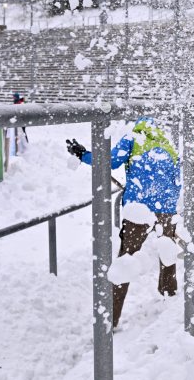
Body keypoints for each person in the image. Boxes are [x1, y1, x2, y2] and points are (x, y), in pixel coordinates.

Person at [66, 116, 181, 328]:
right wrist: (167, 210)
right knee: (167, 253)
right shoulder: (165, 142)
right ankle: (170, 297)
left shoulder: (133, 137)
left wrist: (83, 154)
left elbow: (108, 161)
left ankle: (110, 317)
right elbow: (177, 177)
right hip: (166, 207)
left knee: (126, 259)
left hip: (140, 209)